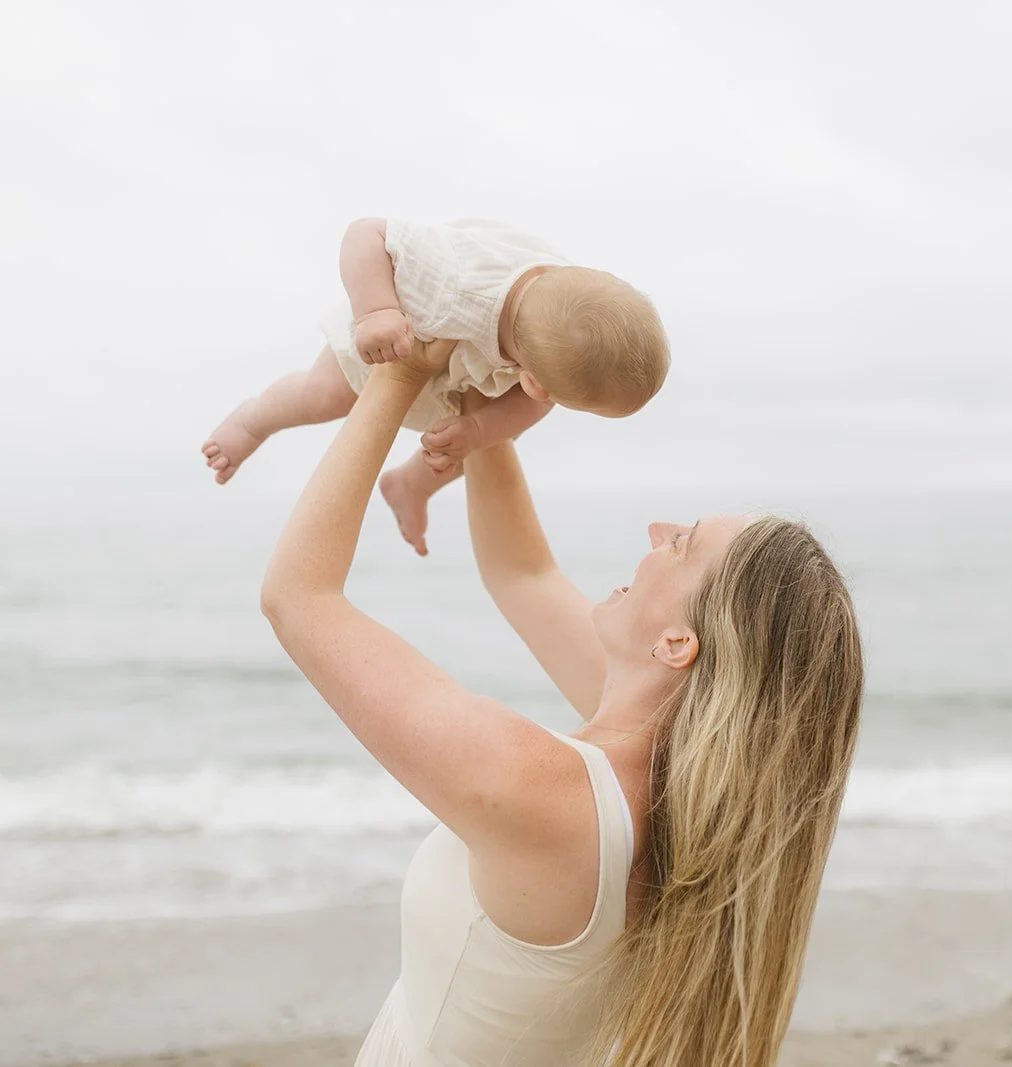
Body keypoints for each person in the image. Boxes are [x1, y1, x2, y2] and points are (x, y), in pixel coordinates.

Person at [260, 347, 864, 1066]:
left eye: (683, 542)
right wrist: (478, 412)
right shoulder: (679, 784)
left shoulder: (551, 794)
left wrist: (396, 373)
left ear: (677, 642)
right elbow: (522, 571)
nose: (654, 533)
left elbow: (300, 598)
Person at [206, 217, 670, 556]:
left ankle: (412, 484)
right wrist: (376, 311)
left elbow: (536, 395)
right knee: (325, 396)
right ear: (534, 381)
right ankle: (252, 421)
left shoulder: (566, 306)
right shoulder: (452, 282)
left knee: (473, 439)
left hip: (474, 359)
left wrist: (481, 430)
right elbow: (365, 233)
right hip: (397, 333)